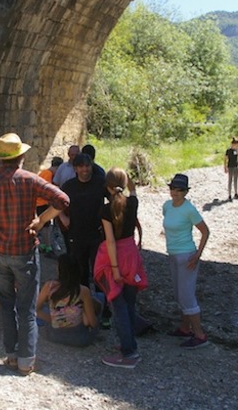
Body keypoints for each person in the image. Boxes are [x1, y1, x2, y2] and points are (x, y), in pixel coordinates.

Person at [0, 132, 70, 376]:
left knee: (7, 305)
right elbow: (62, 199)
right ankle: (25, 361)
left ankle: (10, 355)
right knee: (27, 309)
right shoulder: (30, 180)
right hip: (24, 251)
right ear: (20, 156)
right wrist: (41, 220)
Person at [95, 168, 148, 368]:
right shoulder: (133, 203)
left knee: (118, 306)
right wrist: (126, 178)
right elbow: (132, 190)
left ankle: (129, 354)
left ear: (107, 187)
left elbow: (109, 241)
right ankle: (129, 343)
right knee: (130, 302)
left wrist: (114, 268)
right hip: (131, 254)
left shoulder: (106, 210)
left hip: (115, 257)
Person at [162, 173, 210, 350]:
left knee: (187, 296)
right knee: (178, 293)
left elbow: (205, 232)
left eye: (179, 190)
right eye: (173, 188)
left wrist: (197, 255)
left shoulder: (189, 209)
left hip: (186, 256)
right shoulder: (167, 206)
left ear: (185, 192)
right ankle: (184, 328)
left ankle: (200, 335)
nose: (175, 192)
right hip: (173, 254)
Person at [59, 153, 107, 288]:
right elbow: (56, 203)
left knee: (99, 270)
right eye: (81, 167)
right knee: (80, 271)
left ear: (91, 166)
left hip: (97, 234)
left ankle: (101, 304)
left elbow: (114, 200)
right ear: (75, 169)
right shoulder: (69, 186)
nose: (84, 169)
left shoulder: (100, 182)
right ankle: (83, 302)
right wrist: (63, 217)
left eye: (87, 166)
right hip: (76, 234)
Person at [36, 253, 101, 347]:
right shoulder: (83, 290)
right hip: (79, 338)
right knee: (99, 298)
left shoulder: (49, 286)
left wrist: (54, 320)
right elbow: (92, 322)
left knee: (48, 308)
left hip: (53, 335)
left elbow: (35, 309)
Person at [36, 156, 63, 255]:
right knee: (46, 226)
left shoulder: (45, 172)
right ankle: (48, 247)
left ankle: (44, 245)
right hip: (42, 202)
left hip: (40, 202)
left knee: (44, 225)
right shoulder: (48, 174)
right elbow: (46, 190)